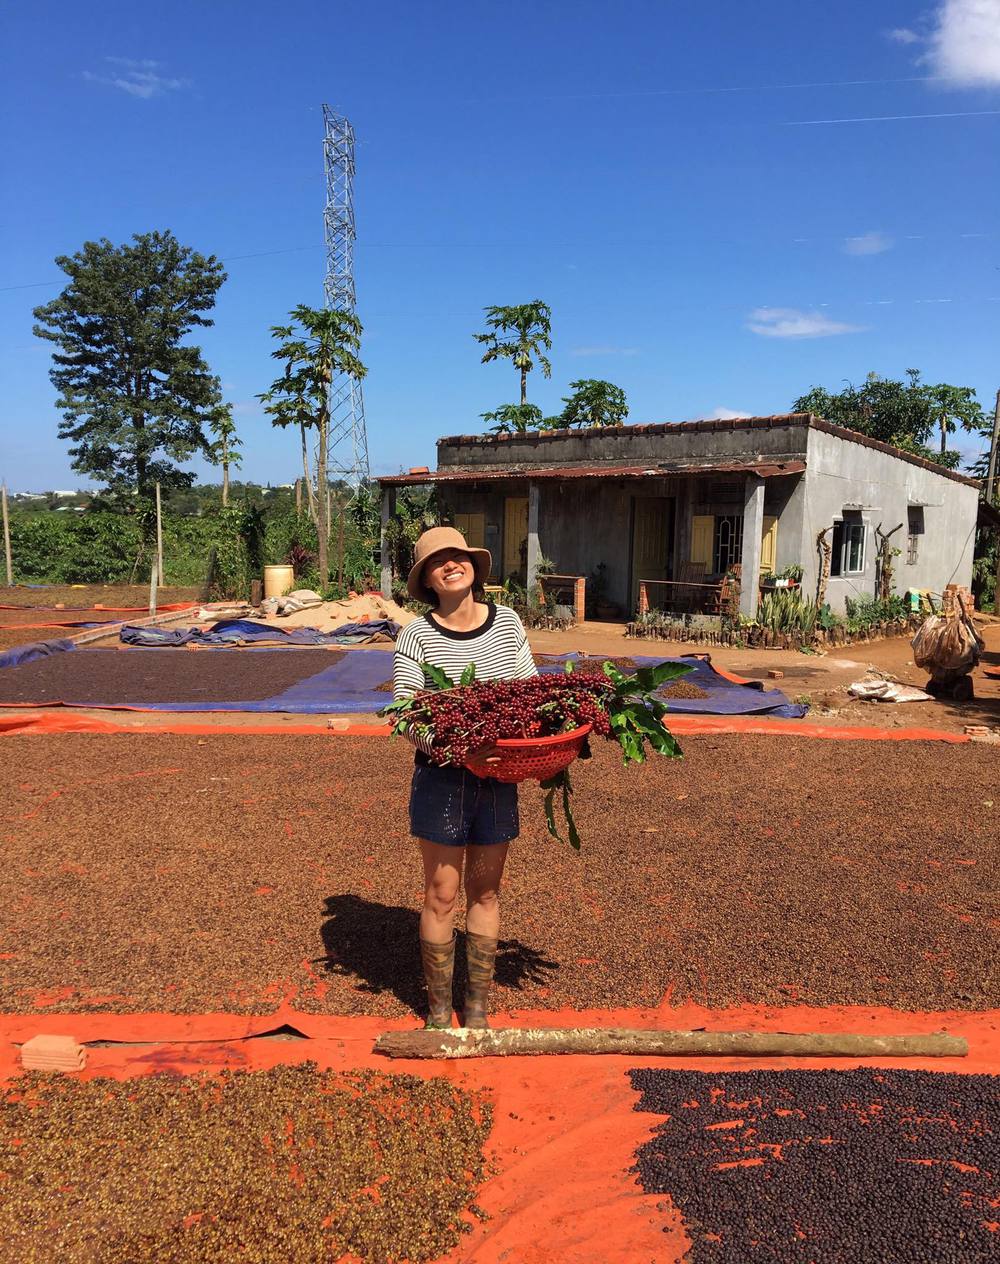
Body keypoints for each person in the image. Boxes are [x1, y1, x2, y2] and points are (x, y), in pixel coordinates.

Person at [393, 526, 537, 1029]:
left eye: (459, 556)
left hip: (498, 778)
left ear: (474, 566)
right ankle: (437, 1013)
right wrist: (459, 751)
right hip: (442, 778)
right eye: (439, 562)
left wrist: (540, 741)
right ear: (428, 580)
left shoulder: (507, 623)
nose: (451, 565)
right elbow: (408, 713)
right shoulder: (417, 633)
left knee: (488, 891)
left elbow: (530, 693)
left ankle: (475, 1010)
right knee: (441, 893)